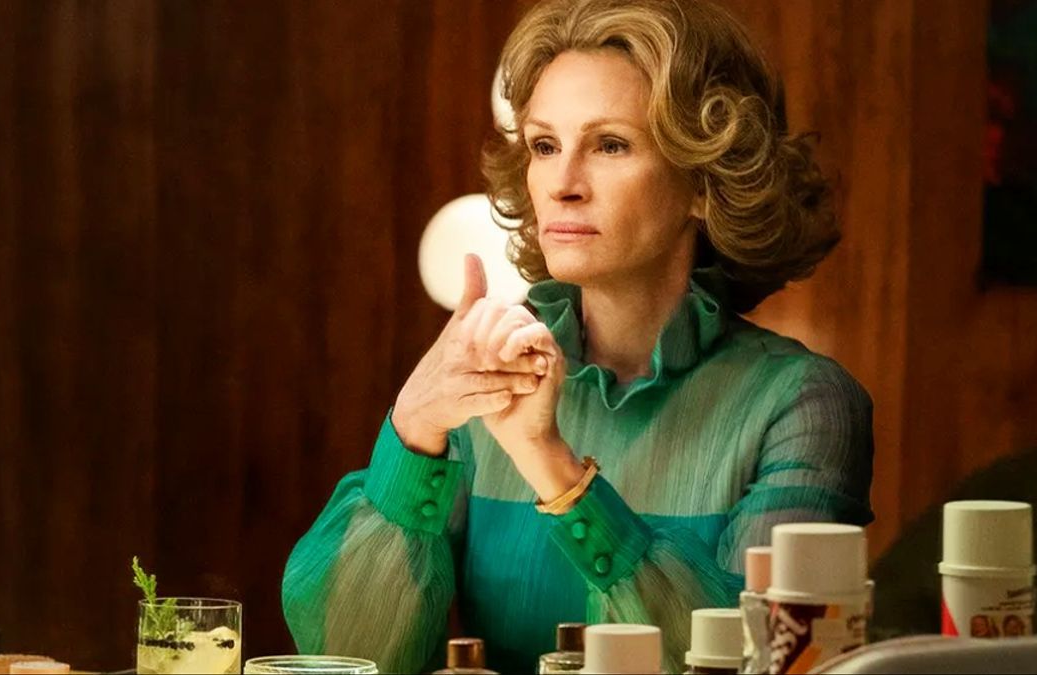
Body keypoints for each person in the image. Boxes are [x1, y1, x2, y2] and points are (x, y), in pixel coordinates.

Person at [282, 0, 874, 672]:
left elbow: (756, 661)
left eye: (610, 145)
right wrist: (414, 427)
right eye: (544, 146)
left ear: (704, 184)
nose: (562, 184)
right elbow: (351, 657)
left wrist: (552, 467)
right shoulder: (486, 384)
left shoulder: (804, 405)